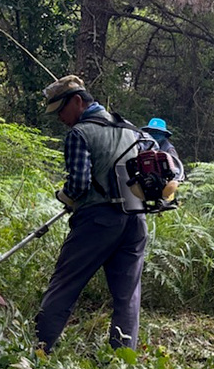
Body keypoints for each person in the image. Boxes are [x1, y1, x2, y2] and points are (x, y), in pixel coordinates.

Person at [34, 75, 155, 352]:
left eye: (61, 110)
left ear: (77, 101)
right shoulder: (130, 129)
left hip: (97, 222)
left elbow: (78, 185)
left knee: (64, 285)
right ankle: (122, 360)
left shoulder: (80, 133)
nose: (60, 118)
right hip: (135, 220)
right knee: (127, 296)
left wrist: (63, 196)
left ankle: (39, 349)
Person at [144, 117, 185, 181]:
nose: (155, 134)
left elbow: (177, 171)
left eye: (158, 132)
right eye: (152, 132)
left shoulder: (169, 149)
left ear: (164, 135)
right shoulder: (145, 146)